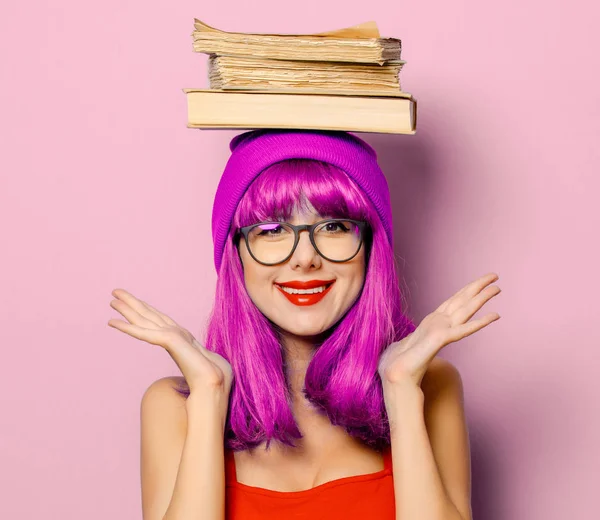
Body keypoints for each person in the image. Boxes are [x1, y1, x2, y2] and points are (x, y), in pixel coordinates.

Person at [108, 129, 501, 520]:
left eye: (333, 226)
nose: (305, 258)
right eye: (272, 230)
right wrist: (210, 395)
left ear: (370, 248)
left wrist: (400, 390)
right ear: (236, 255)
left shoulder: (430, 386)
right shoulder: (175, 407)